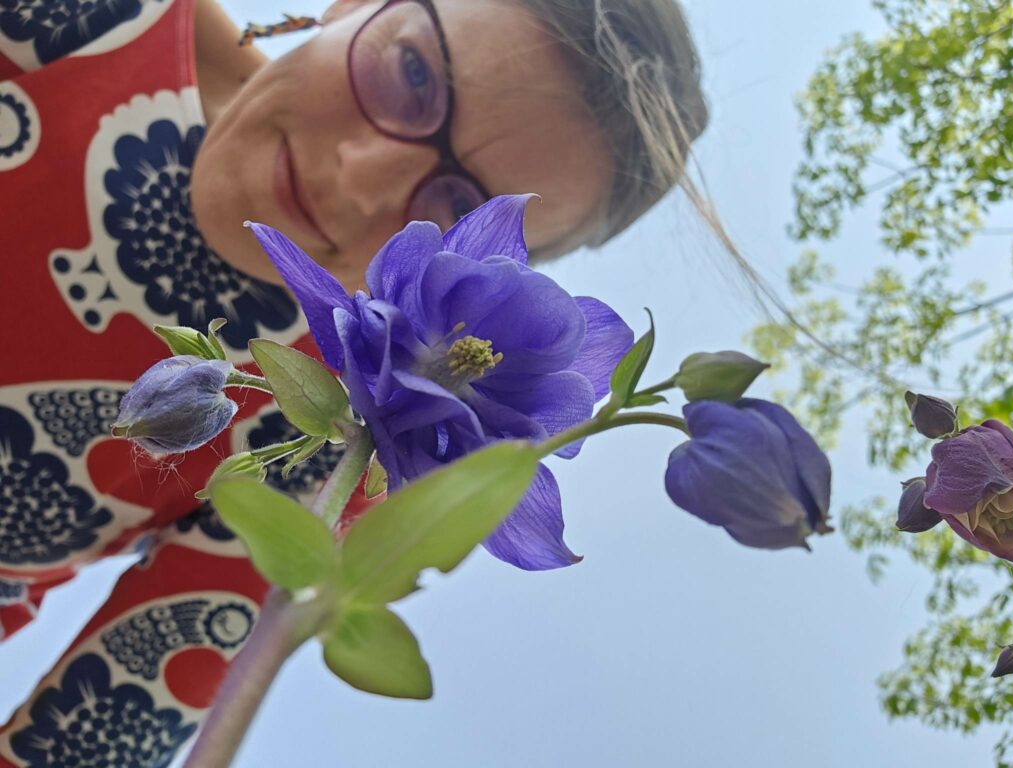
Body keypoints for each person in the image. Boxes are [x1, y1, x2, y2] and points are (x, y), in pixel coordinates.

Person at [0, 0, 707, 764]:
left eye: (460, 204)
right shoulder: (97, 18)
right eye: (411, 73)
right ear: (354, 6)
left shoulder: (324, 461)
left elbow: (91, 739)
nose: (358, 182)